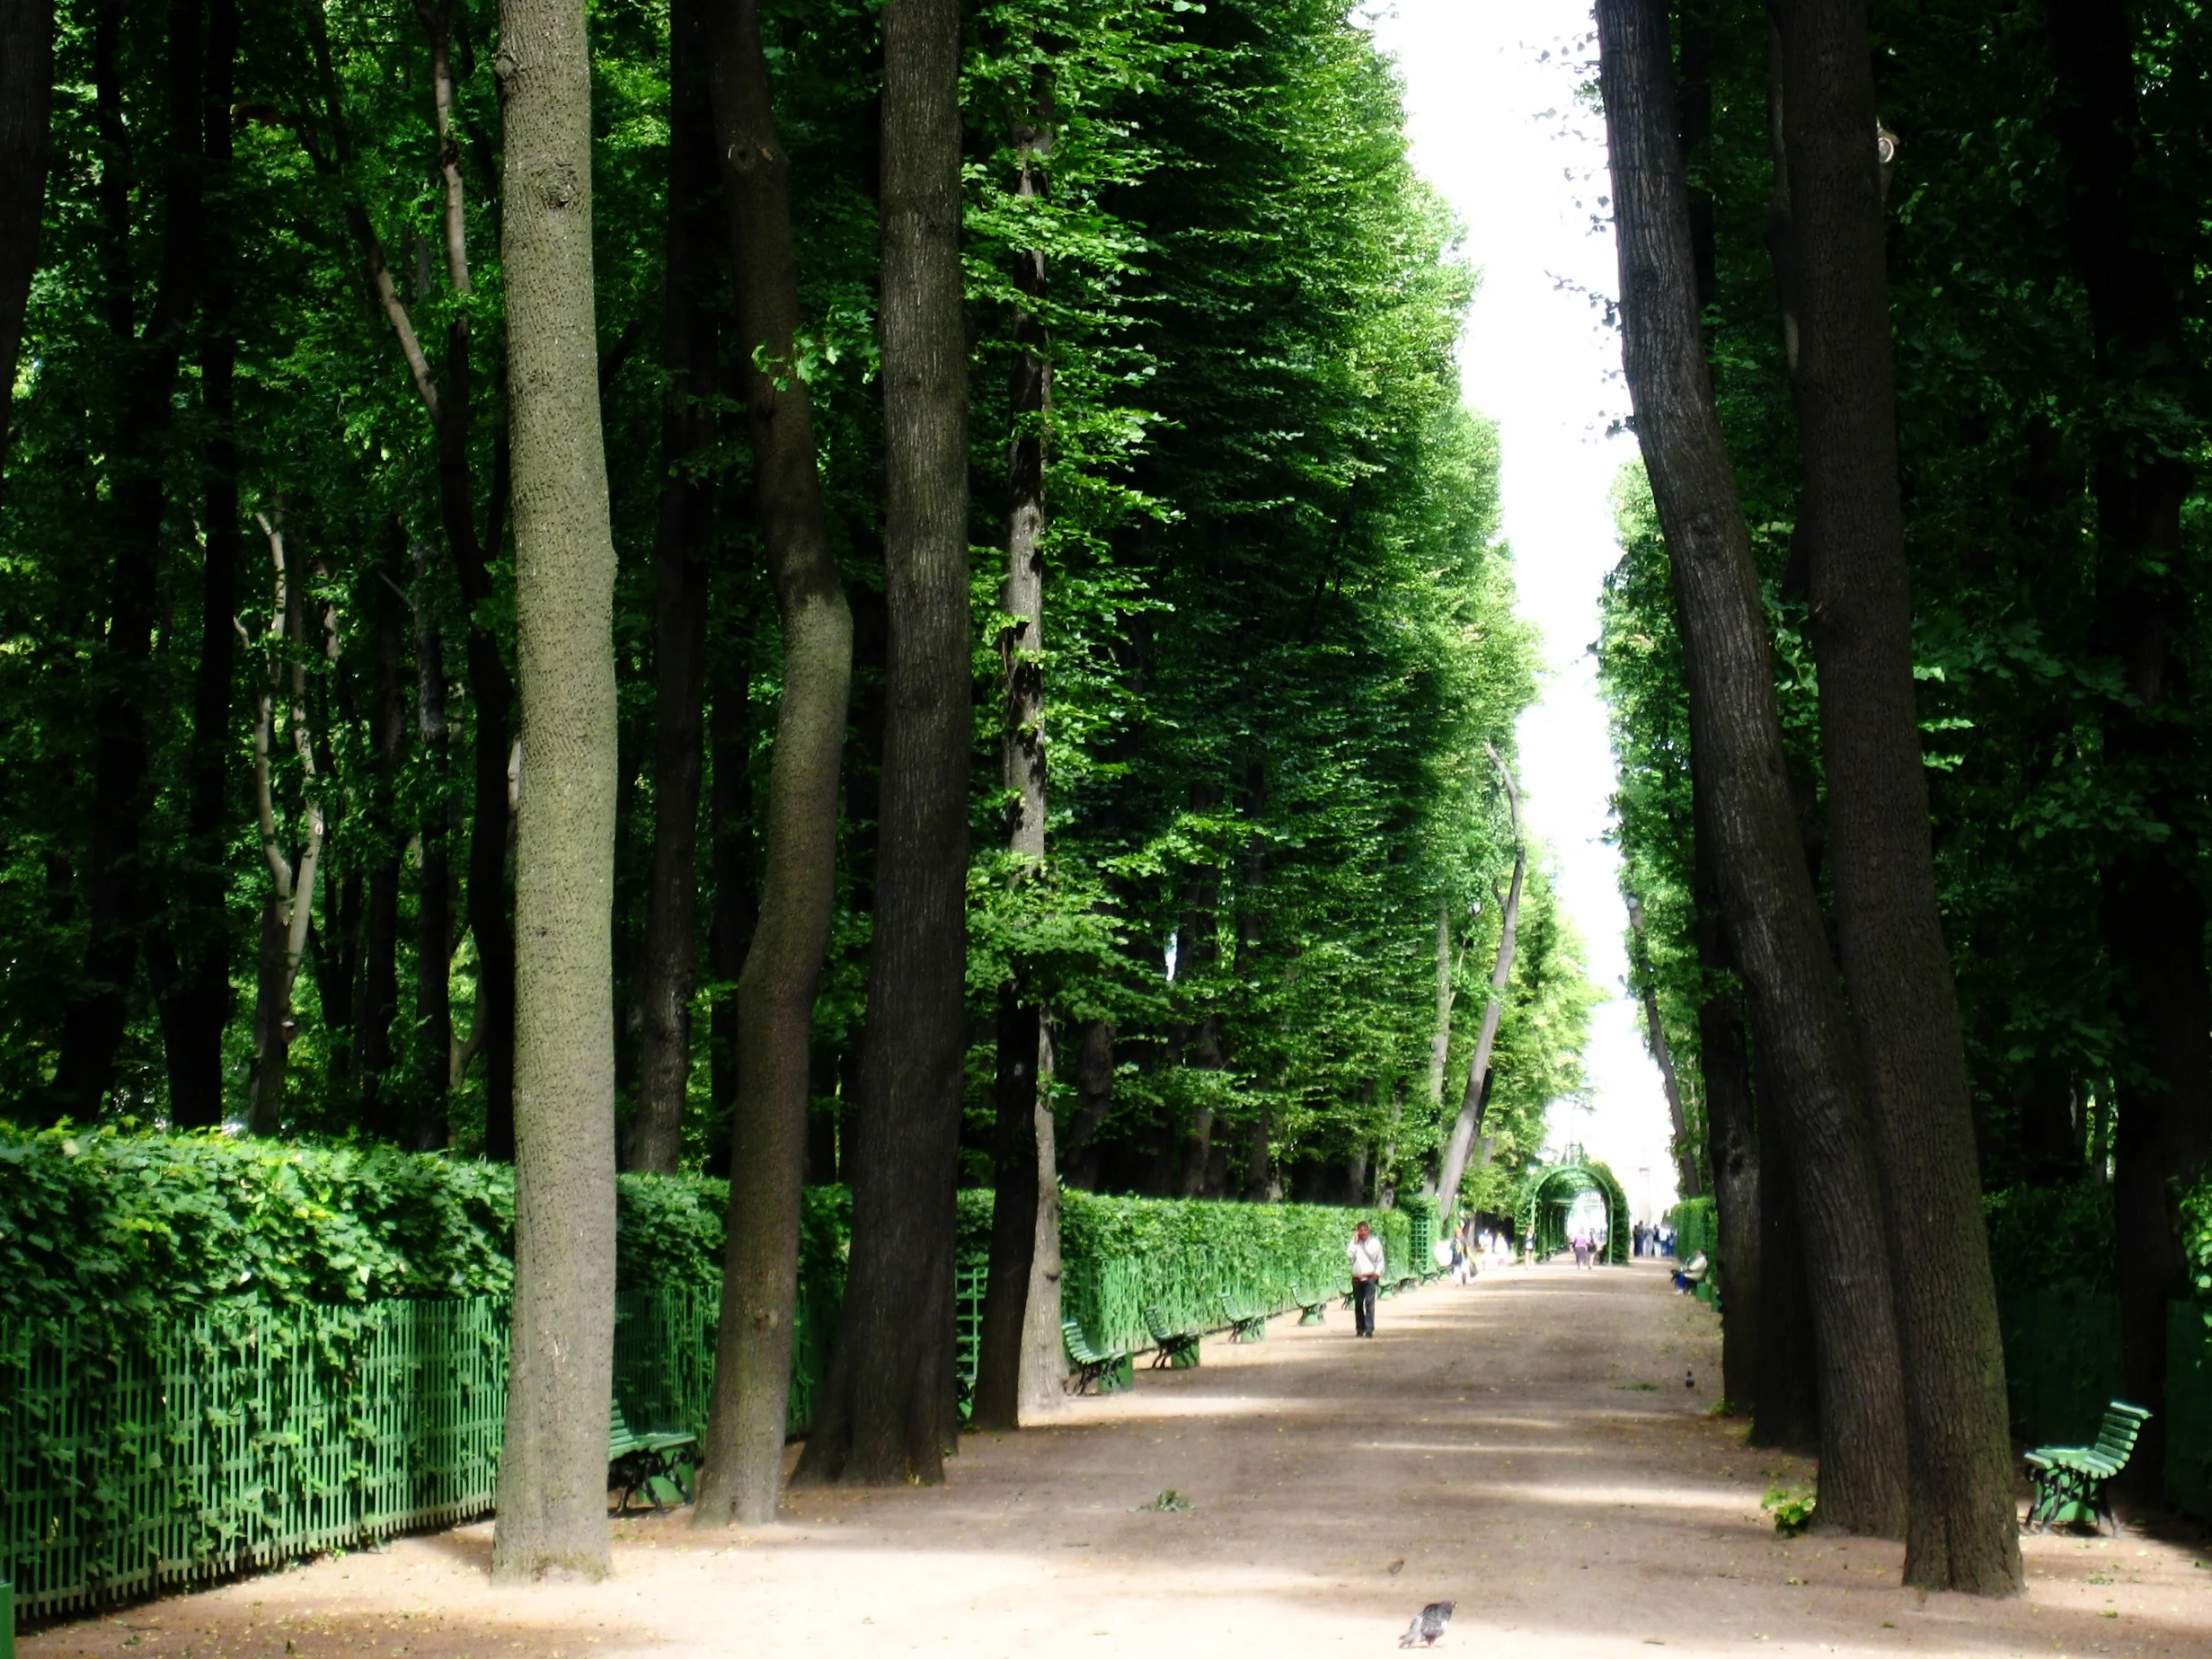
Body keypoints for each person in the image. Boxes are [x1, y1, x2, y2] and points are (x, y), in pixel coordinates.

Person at [1348, 1220, 1385, 1337]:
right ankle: (1360, 1329)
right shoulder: (1354, 1243)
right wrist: (1355, 1241)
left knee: (1369, 1303)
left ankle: (1369, 1329)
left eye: (1365, 1230)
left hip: (1370, 1277)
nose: (1363, 1233)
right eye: (1360, 1230)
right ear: (1357, 1232)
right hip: (1357, 1278)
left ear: (1368, 1231)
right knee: (1358, 1304)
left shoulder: (1375, 1243)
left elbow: (1380, 1260)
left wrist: (1377, 1274)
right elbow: (1349, 1254)